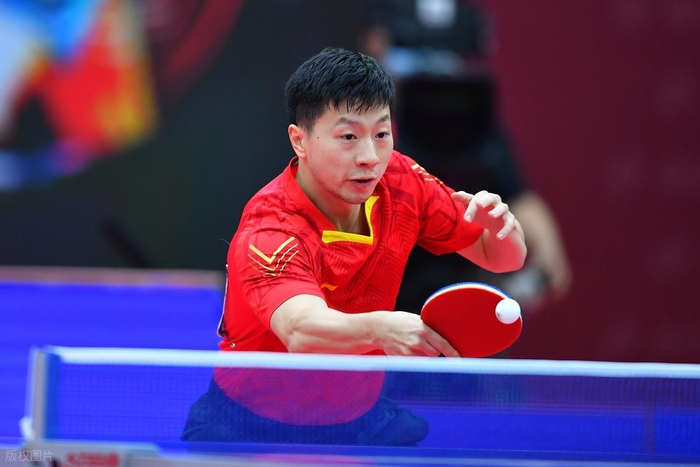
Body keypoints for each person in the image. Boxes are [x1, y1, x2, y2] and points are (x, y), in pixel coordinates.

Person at [182, 47, 526, 446]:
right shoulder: (271, 228)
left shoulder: (400, 181)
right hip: (248, 424)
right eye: (348, 137)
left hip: (357, 417)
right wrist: (381, 329)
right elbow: (301, 331)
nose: (369, 157)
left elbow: (500, 257)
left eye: (381, 134)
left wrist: (501, 228)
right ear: (300, 141)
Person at [360, 0, 572, 312]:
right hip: (378, 311)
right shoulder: (357, 129)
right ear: (376, 45)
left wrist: (538, 259)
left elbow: (520, 204)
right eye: (416, 56)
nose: (433, 76)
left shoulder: (480, 135)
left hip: (457, 304)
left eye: (449, 57)